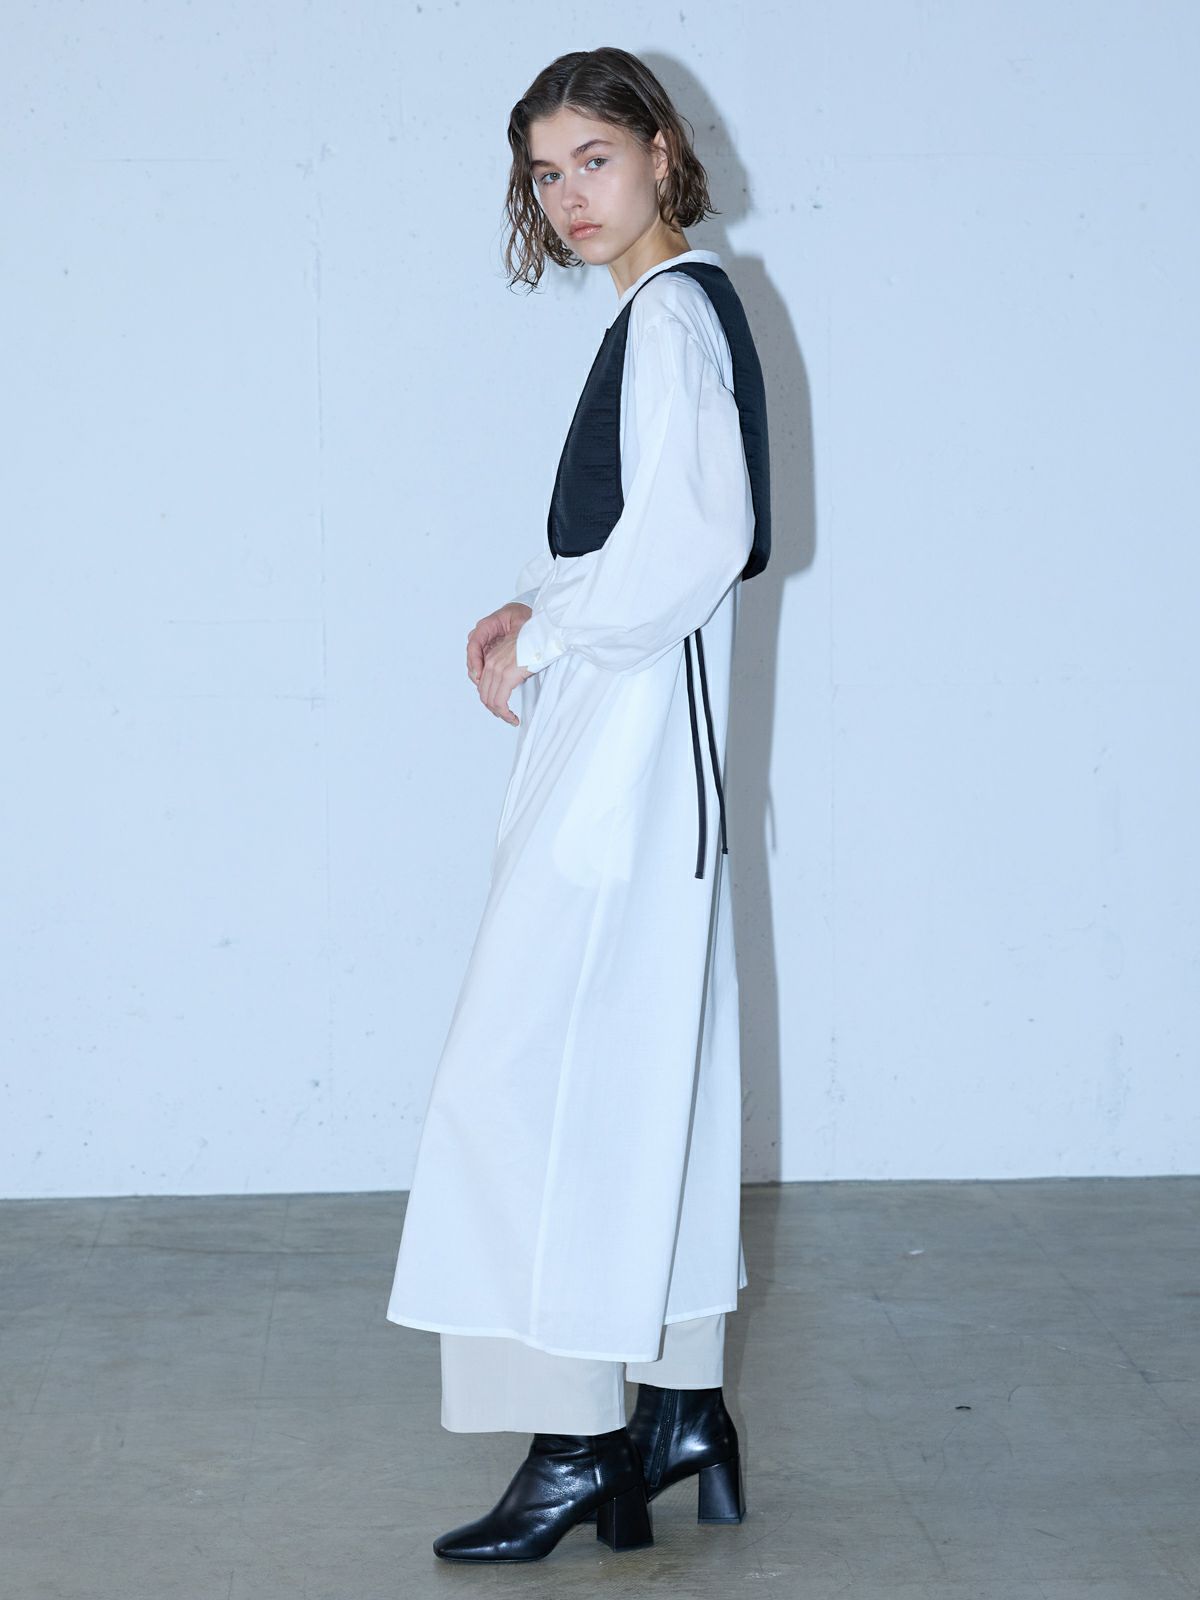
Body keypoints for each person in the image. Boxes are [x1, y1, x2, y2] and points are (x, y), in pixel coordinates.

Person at [385, 45, 772, 1563]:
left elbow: (694, 544)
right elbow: (638, 540)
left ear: (662, 150)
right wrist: (534, 604)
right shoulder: (674, 310)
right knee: (635, 1075)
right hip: (642, 741)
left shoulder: (669, 316)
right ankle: (676, 1407)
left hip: (628, 750)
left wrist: (546, 640)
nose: (568, 196)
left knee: (531, 1080)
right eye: (545, 174)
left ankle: (575, 1440)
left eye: (592, 160)